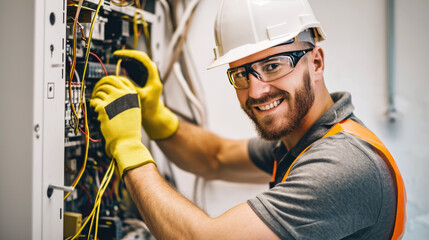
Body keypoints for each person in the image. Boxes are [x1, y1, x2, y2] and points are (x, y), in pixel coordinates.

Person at [90, 0, 406, 239]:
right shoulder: (305, 139)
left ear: (317, 62)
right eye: (241, 73)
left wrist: (129, 147)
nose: (256, 90)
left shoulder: (343, 165)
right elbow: (214, 158)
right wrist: (156, 117)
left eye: (274, 66)